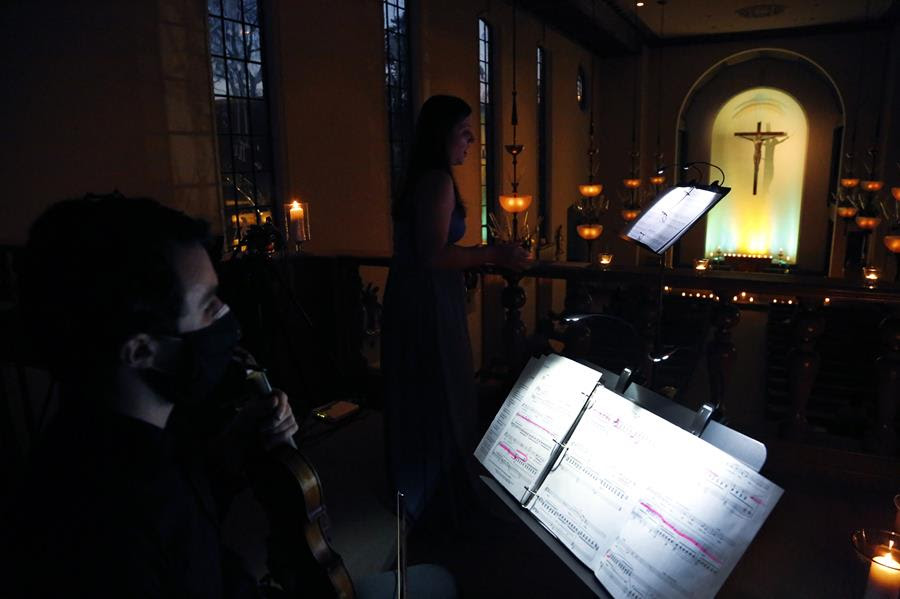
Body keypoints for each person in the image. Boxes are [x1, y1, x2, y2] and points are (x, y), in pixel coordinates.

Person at [1, 194, 298, 597]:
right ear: (141, 350)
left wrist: (234, 447)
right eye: (209, 305)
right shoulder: (104, 527)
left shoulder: (128, 434)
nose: (227, 316)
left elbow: (190, 518)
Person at [381, 95, 531, 526]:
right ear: (441, 134)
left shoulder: (422, 177)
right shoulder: (437, 181)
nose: (471, 141)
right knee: (442, 388)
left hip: (414, 295)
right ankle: (440, 497)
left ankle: (419, 489)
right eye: (464, 132)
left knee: (422, 391)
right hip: (427, 299)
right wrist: (493, 253)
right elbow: (432, 254)